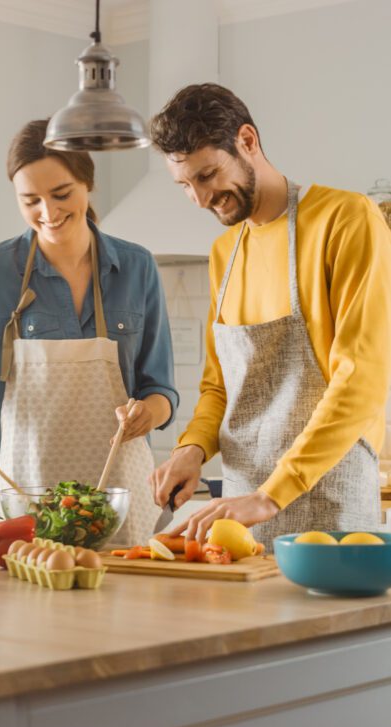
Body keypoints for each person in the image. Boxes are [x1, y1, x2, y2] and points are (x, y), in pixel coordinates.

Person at [0, 119, 178, 544]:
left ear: (87, 183)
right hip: (23, 503)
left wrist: (149, 413)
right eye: (30, 200)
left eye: (61, 194)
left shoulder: (137, 267)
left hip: (124, 504)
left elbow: (159, 388)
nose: (48, 213)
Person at [148, 83, 391, 549]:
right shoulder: (226, 252)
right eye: (185, 185)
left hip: (329, 506)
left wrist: (271, 496)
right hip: (240, 514)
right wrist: (191, 449)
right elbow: (220, 386)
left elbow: (360, 380)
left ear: (247, 141)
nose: (199, 199)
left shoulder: (346, 219)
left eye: (207, 175)